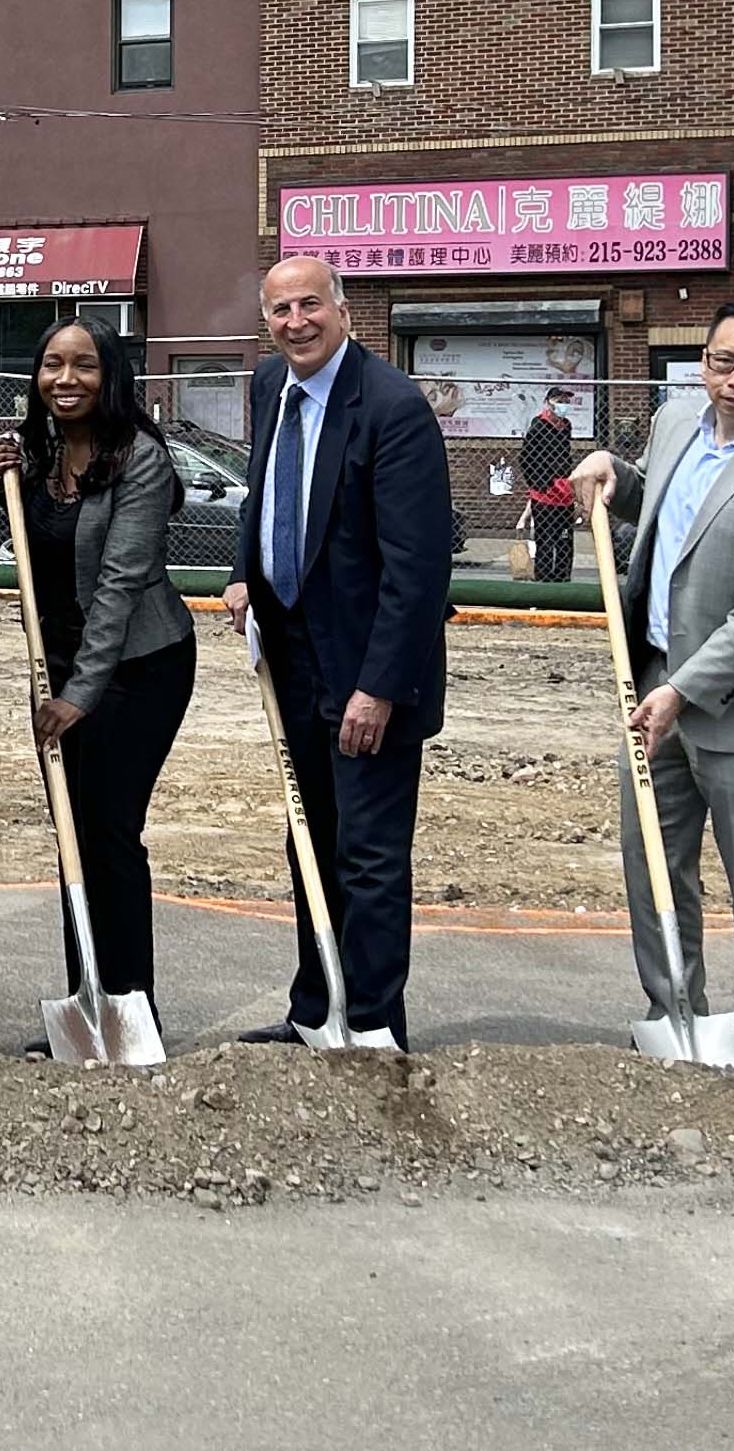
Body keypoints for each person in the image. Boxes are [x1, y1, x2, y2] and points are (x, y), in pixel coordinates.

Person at [570, 297, 734, 1072]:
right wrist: (613, 476)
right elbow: (668, 507)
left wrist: (684, 690)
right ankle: (674, 1012)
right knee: (652, 858)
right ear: (703, 364)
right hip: (650, 679)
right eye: (724, 361)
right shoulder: (673, 427)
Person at [222, 257, 455, 1050]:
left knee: (368, 853)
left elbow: (419, 570)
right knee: (308, 838)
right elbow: (266, 496)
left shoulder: (392, 408)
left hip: (369, 674)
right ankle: (313, 1009)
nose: (296, 322)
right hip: (292, 659)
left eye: (310, 304)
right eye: (280, 308)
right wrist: (243, 576)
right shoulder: (269, 388)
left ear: (343, 310)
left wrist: (379, 687)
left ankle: (372, 1022)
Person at [0, 318, 195, 1025]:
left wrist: (81, 694)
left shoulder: (140, 458)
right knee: (71, 835)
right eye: (51, 364)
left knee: (108, 830)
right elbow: (39, 542)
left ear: (112, 376)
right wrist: (4, 482)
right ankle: (87, 1001)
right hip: (61, 666)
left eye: (83, 365)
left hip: (138, 664)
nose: (65, 378)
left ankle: (133, 1009)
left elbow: (119, 581)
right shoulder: (40, 455)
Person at [518, 389, 578, 584]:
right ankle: (543, 578)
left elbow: (565, 454)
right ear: (548, 403)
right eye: (558, 400)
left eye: (565, 401)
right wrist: (540, 484)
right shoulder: (539, 427)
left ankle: (562, 577)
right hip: (544, 493)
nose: (563, 405)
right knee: (545, 539)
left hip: (564, 491)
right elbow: (526, 458)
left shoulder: (565, 426)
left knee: (565, 539)